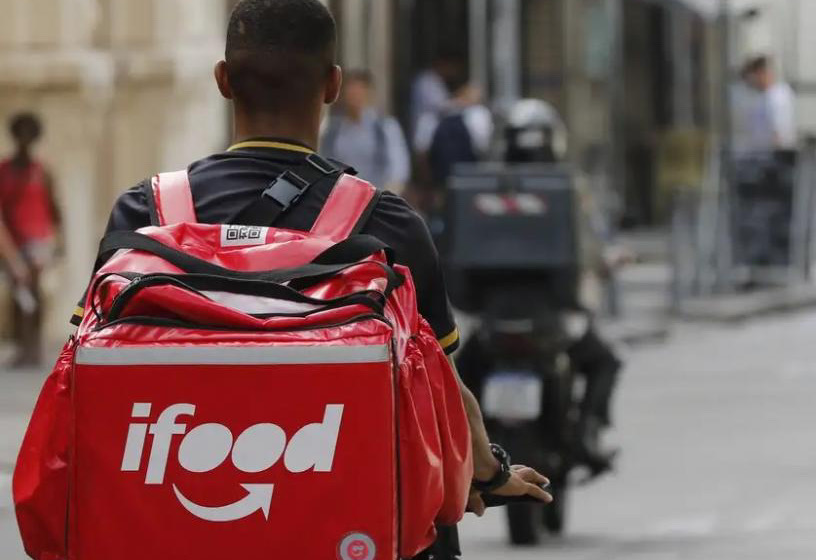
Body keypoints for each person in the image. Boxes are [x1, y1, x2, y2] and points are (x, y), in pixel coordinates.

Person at [78, 1, 551, 557]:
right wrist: (490, 471)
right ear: (332, 85)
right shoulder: (386, 225)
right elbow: (443, 386)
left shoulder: (147, 213)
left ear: (223, 80)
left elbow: (84, 369)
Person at [455, 99, 623, 474]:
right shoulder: (566, 189)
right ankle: (587, 436)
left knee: (455, 379)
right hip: (551, 320)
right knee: (605, 362)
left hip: (492, 321)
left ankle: (454, 449)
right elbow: (589, 247)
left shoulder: (480, 190)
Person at [1, 112, 63, 367]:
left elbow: (55, 208)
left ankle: (34, 346)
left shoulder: (42, 171)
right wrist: (9, 252)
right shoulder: (4, 171)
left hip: (39, 242)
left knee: (35, 291)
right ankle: (23, 346)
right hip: (12, 242)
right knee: (20, 293)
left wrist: (60, 242)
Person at [413, 71, 493, 216]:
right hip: (463, 178)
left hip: (442, 180)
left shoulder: (433, 115)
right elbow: (483, 146)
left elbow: (422, 152)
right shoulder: (477, 115)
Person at [320, 69, 411, 194]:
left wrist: (386, 196)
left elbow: (398, 169)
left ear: (369, 94)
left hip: (376, 195)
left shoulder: (385, 127)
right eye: (350, 91)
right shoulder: (333, 131)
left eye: (359, 91)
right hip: (342, 195)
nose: (354, 96)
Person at [733, 56, 797, 160]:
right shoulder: (762, 96)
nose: (752, 81)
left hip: (774, 157)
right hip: (762, 156)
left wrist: (776, 159)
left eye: (753, 76)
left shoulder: (777, 96)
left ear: (761, 73)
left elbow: (778, 133)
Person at [410, 50, 463, 147]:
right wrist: (462, 99)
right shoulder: (426, 80)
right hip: (426, 130)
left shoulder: (437, 80)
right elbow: (440, 106)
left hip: (435, 131)